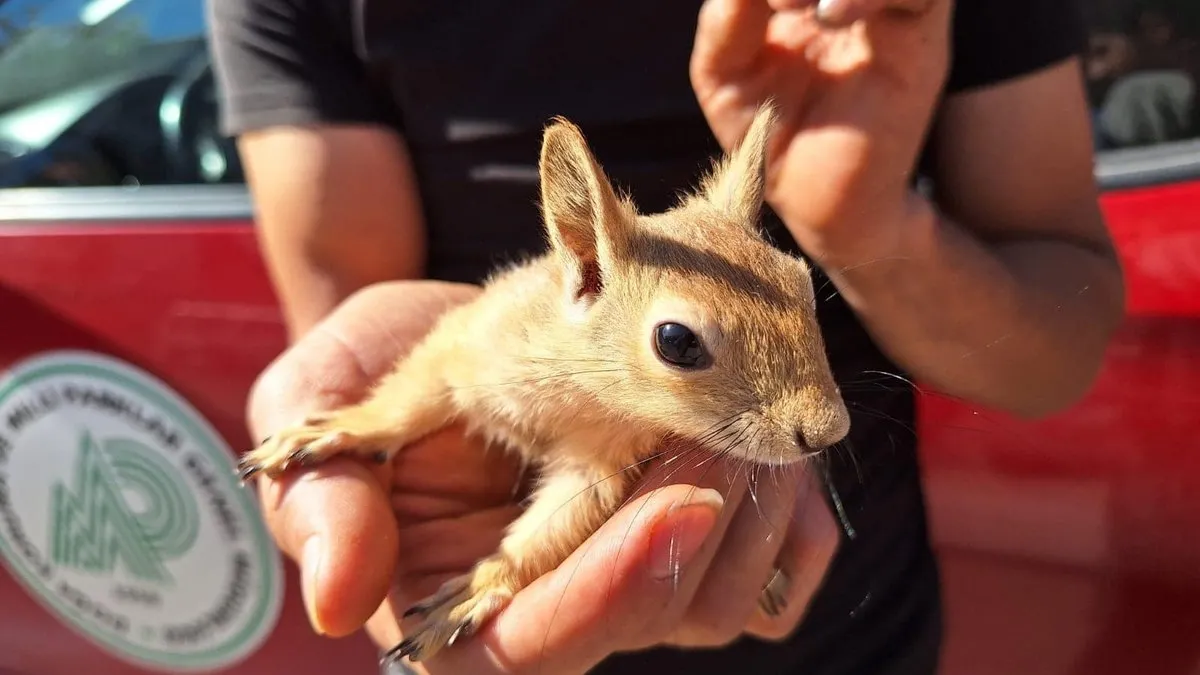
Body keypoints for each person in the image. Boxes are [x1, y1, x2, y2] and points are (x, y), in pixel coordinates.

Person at [205, 0, 1127, 673]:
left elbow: (1065, 340)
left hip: (860, 635)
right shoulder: (532, 330)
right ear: (586, 267)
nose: (830, 420)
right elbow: (432, 365)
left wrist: (870, 227)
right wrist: (366, 431)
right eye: (680, 345)